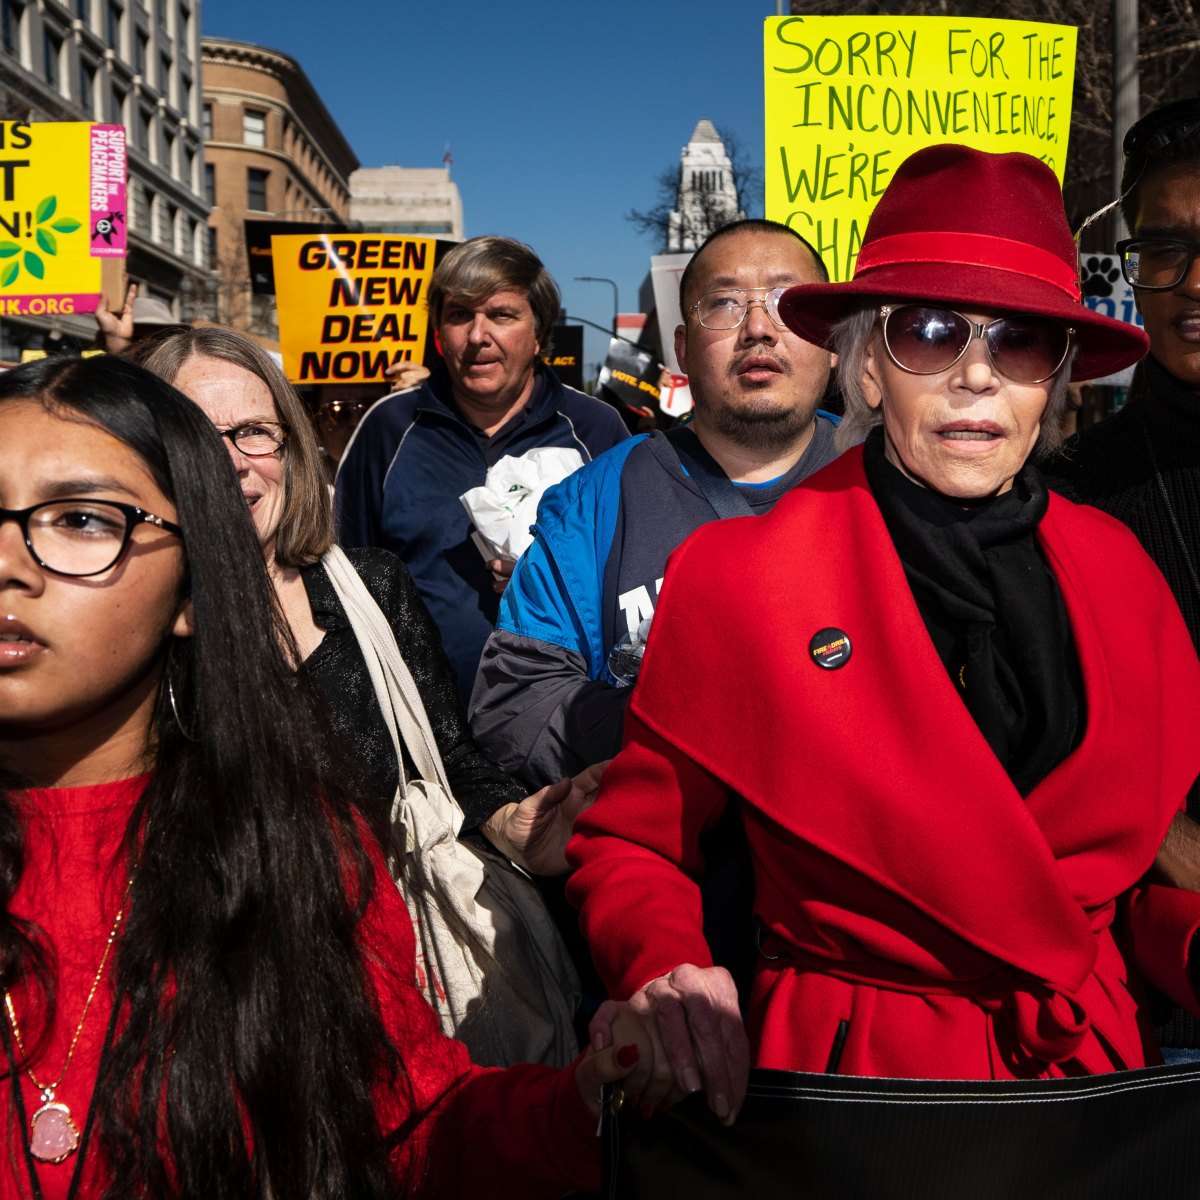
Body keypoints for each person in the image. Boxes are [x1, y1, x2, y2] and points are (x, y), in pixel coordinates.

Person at [569, 144, 1200, 1126]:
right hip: (854, 1098)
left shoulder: (1126, 575)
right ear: (865, 359)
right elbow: (634, 846)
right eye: (932, 332)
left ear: (1060, 375)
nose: (978, 376)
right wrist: (669, 975)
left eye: (1023, 340)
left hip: (1089, 1100)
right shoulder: (743, 579)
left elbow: (1127, 895)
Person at [0, 354, 654, 1198]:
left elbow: (407, 1129)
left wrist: (580, 1106)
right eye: (206, 436)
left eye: (81, 519)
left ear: (196, 584)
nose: (12, 564)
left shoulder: (298, 849)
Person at [140, 326, 596, 877]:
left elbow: (448, 760)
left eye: (254, 432)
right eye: (194, 436)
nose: (232, 460)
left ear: (290, 446)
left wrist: (509, 822)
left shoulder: (372, 588)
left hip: (383, 945)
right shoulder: (121, 619)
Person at [469, 219, 839, 788]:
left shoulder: (894, 476)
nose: (759, 328)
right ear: (684, 350)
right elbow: (516, 710)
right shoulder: (591, 503)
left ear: (831, 340)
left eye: (786, 302)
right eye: (724, 304)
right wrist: (704, 731)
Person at [1045, 99, 1200, 1065]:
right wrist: (1173, 843)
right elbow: (1055, 722)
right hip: (1155, 991)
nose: (1193, 283)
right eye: (1167, 246)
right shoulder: (1072, 490)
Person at [334, 235, 630, 701]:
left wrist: (559, 579)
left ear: (538, 333)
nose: (477, 336)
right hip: (422, 727)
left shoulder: (596, 429)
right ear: (438, 332)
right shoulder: (387, 428)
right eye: (459, 316)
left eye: (501, 315)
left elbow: (635, 579)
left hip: (568, 723)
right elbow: (343, 575)